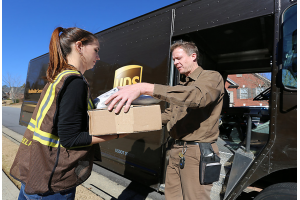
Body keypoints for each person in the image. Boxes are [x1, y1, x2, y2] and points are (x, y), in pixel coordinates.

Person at [10, 27, 127, 200]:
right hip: (52, 183)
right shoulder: (75, 82)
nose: (98, 57)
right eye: (96, 50)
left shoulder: (59, 77)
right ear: (79, 46)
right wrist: (117, 135)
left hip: (35, 173)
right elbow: (71, 139)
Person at [105, 41, 224, 200]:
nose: (176, 63)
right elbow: (168, 115)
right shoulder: (182, 85)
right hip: (176, 150)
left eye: (179, 58)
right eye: (174, 59)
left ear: (193, 56)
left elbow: (198, 97)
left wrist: (145, 88)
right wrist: (130, 121)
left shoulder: (211, 77)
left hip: (197, 152)